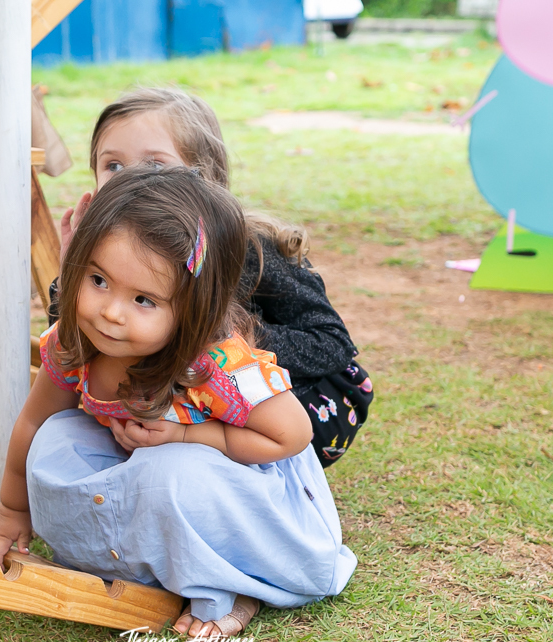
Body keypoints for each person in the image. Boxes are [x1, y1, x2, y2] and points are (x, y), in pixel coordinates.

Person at [0, 167, 357, 638]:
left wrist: (187, 435)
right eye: (98, 280)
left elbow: (292, 436)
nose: (111, 312)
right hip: (149, 476)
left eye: (143, 300)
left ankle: (235, 584)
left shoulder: (214, 365)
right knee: (57, 439)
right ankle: (141, 567)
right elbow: (34, 422)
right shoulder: (74, 343)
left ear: (194, 309)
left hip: (244, 496)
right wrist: (13, 509)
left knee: (172, 470)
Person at [48, 87, 373, 468]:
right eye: (113, 166)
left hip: (302, 400)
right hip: (187, 389)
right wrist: (73, 272)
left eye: (153, 165)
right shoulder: (110, 246)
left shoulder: (250, 249)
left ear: (206, 176)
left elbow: (331, 343)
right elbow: (83, 344)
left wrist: (213, 339)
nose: (130, 179)